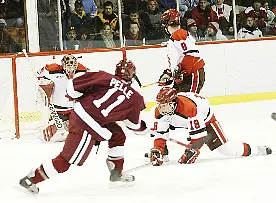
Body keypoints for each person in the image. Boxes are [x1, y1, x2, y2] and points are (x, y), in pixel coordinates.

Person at [19, 59, 148, 194]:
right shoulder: (136, 98)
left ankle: (116, 171)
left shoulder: (103, 76)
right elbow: (134, 126)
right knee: (65, 160)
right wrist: (146, 129)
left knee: (117, 134)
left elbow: (72, 90)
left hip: (79, 114)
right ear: (133, 75)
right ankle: (31, 179)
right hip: (87, 126)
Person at [148, 87, 272, 166]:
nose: (162, 109)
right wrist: (158, 149)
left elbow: (200, 137)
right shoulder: (160, 111)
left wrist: (192, 150)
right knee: (162, 134)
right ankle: (164, 154)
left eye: (166, 105)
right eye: (160, 105)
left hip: (205, 119)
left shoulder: (190, 109)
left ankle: (257, 150)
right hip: (180, 119)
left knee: (226, 149)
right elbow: (161, 133)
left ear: (174, 103)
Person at [37, 54, 88, 142]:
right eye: (68, 67)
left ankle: (69, 124)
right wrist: (44, 83)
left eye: (72, 67)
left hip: (74, 110)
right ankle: (62, 124)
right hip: (57, 110)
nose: (70, 70)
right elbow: (39, 73)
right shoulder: (53, 71)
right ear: (63, 66)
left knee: (82, 135)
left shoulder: (82, 72)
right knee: (51, 137)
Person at [159, 9, 206, 94]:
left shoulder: (178, 34)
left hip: (192, 74)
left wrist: (181, 72)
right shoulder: (174, 37)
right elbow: (178, 60)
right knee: (175, 101)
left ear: (169, 23)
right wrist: (169, 74)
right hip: (186, 76)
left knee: (188, 101)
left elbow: (192, 55)